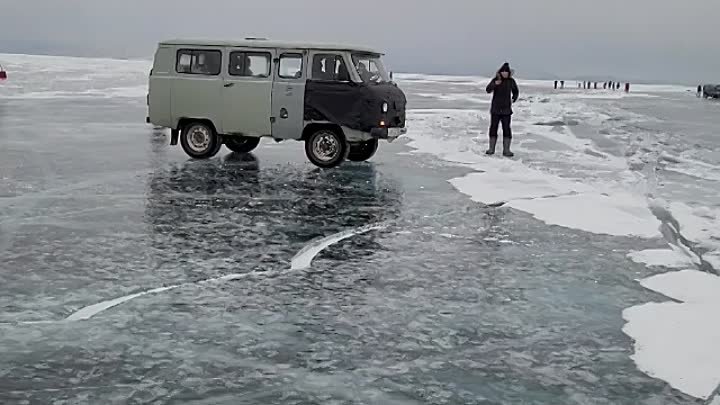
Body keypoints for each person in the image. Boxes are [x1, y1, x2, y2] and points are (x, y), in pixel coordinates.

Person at [485, 62, 519, 157]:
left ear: (509, 73)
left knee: (507, 129)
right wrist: (495, 84)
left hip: (506, 110)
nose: (504, 73)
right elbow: (488, 90)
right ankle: (491, 149)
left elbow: (516, 91)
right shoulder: (496, 80)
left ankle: (506, 150)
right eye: (503, 71)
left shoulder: (511, 81)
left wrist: (514, 97)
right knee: (493, 128)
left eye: (506, 71)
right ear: (500, 72)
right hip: (495, 109)